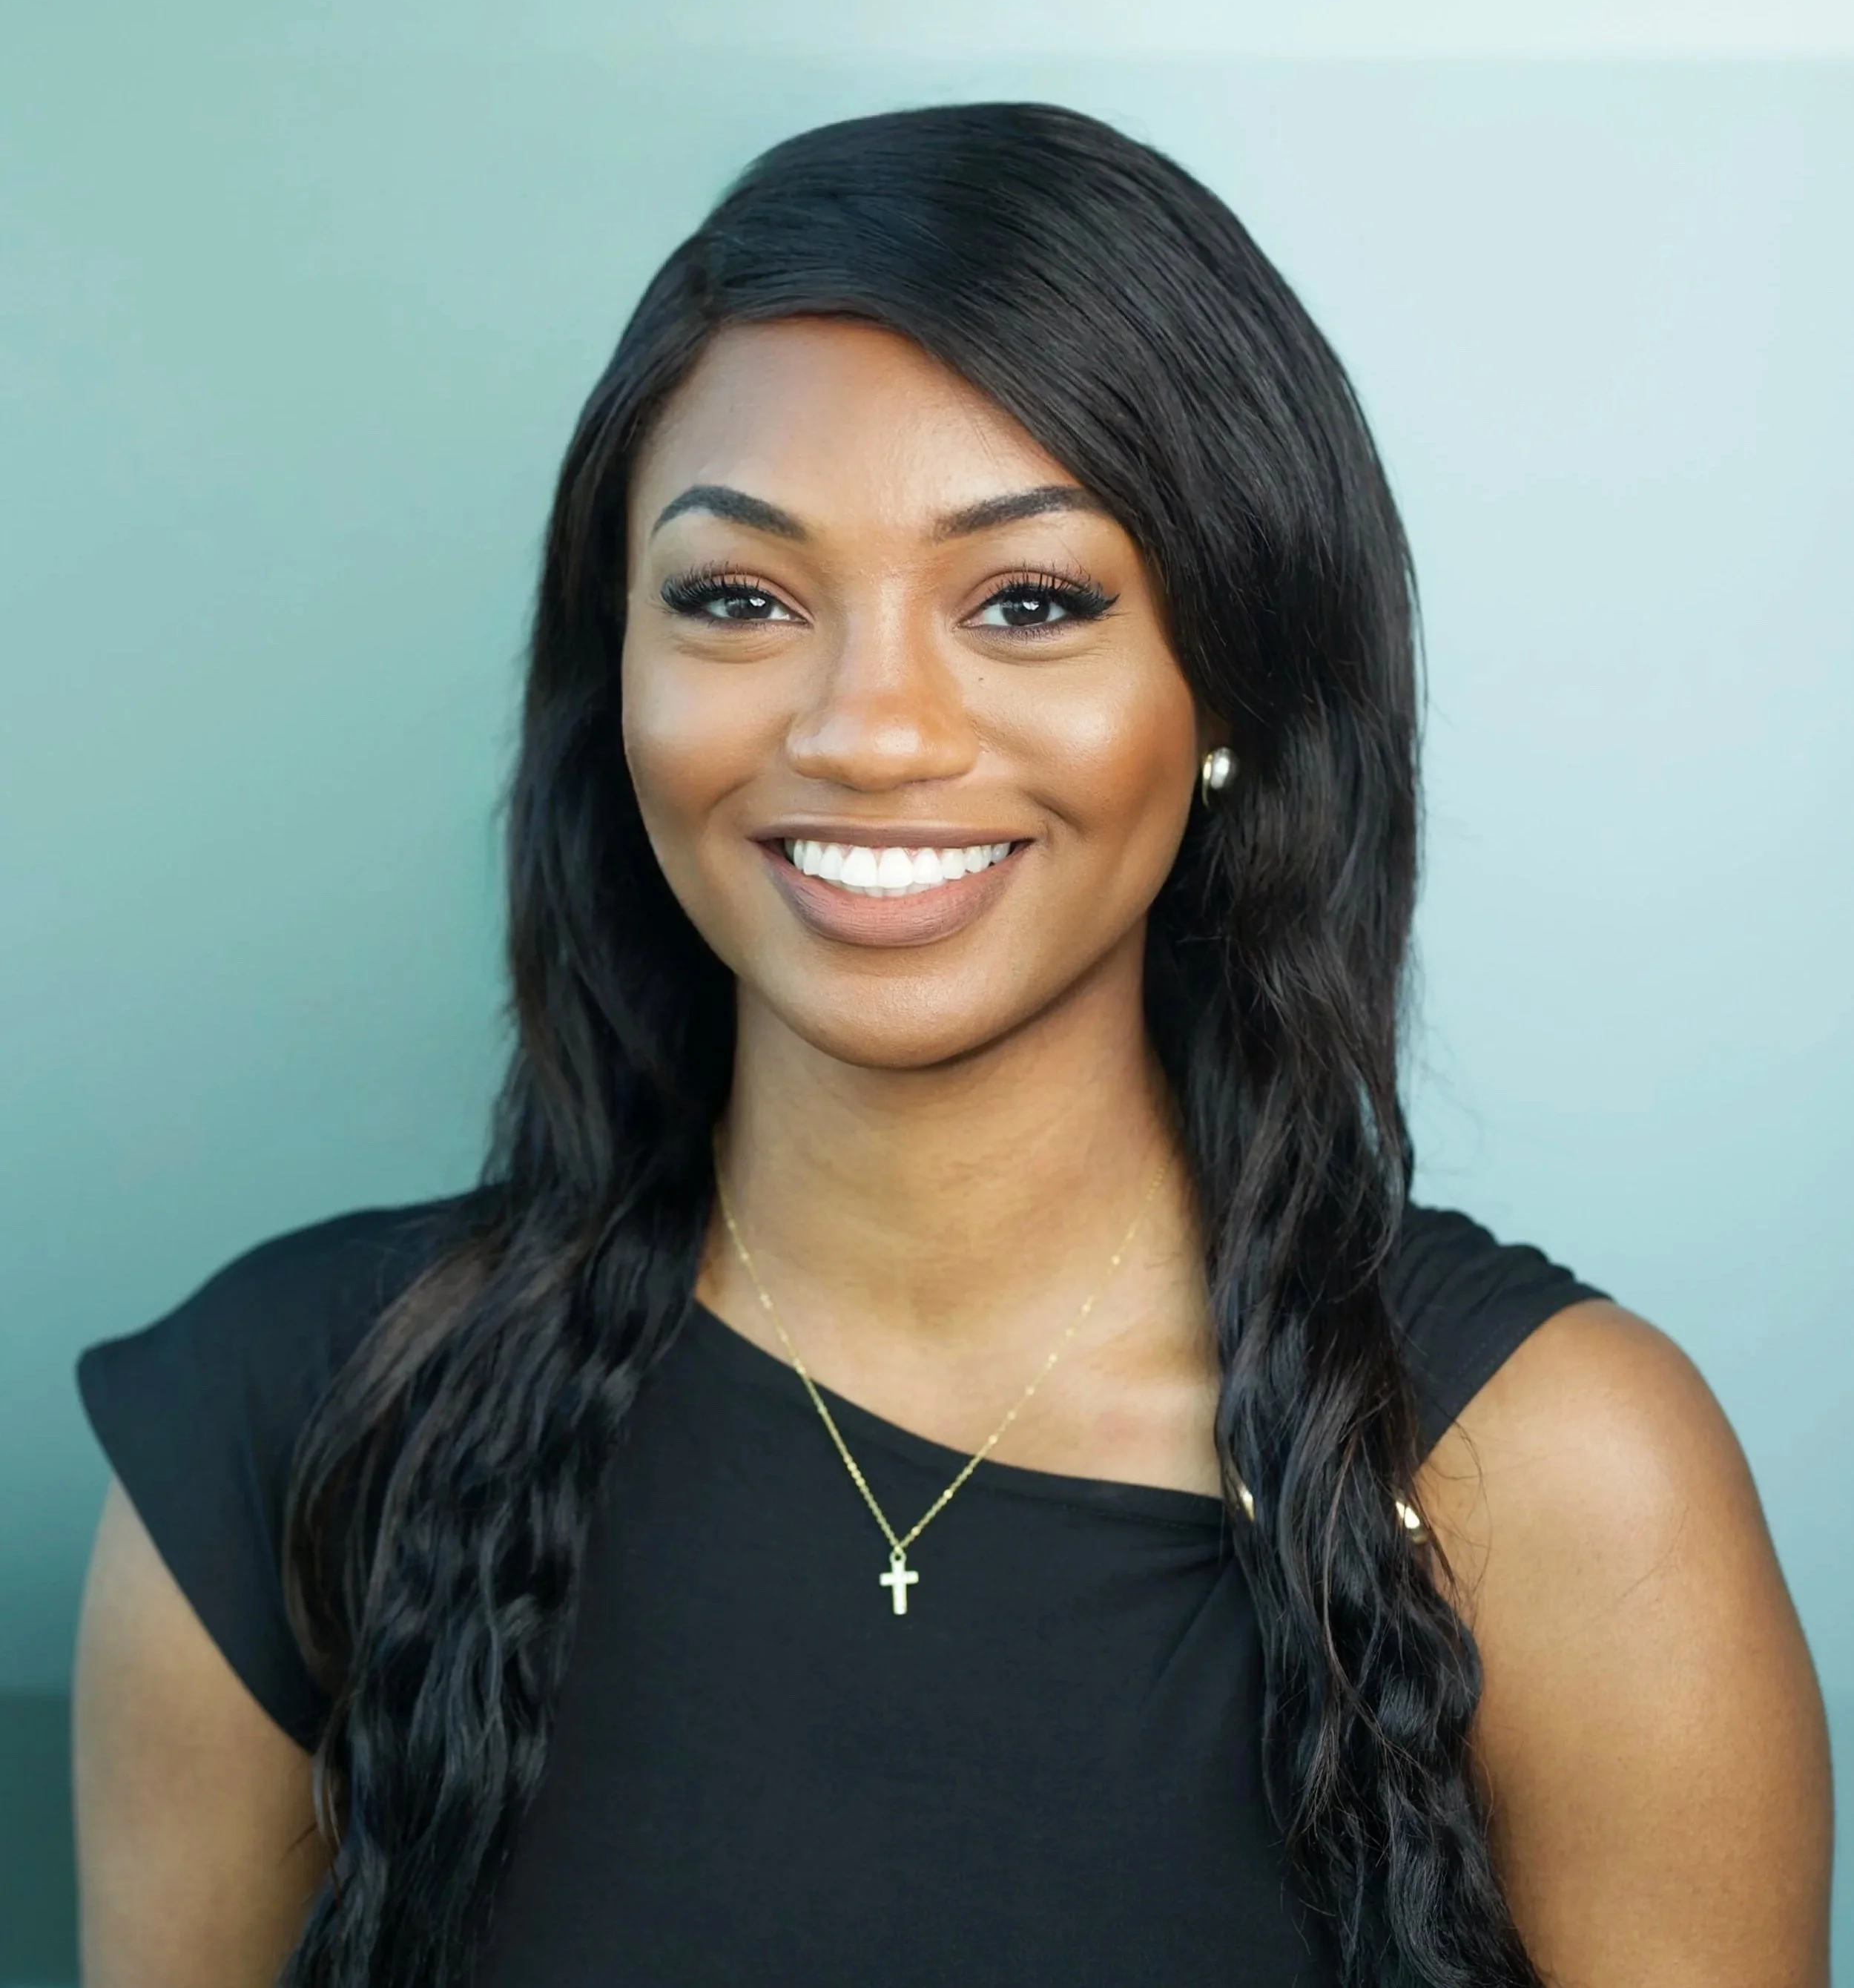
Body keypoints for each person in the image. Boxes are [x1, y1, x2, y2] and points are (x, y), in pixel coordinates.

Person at [72, 102, 1831, 1988]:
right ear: (622, 682)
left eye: (1028, 602)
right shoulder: (288, 1435)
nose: (870, 731)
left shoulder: (1551, 1478)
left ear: (1225, 683)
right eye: (739, 598)